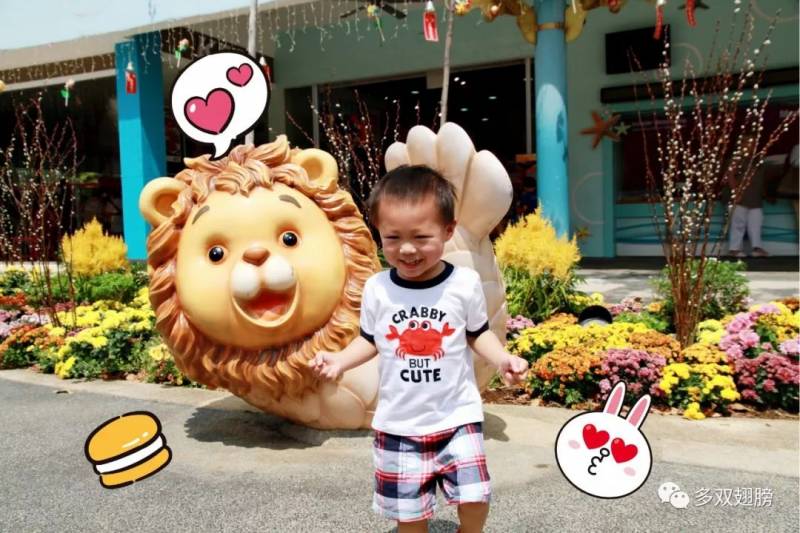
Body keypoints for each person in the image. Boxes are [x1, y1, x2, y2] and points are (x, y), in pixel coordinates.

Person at [309, 165, 529, 533]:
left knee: (475, 496)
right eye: (393, 237)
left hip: (457, 416)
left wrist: (503, 358)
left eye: (421, 237)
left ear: (448, 230)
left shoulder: (463, 283)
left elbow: (478, 334)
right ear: (378, 232)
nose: (407, 249)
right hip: (399, 424)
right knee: (409, 512)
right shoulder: (379, 288)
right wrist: (340, 360)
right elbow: (370, 340)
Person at [727, 134, 769, 258]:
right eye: (748, 143)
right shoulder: (737, 158)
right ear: (742, 144)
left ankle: (757, 248)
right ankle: (734, 249)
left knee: (756, 223)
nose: (751, 145)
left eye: (754, 143)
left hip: (755, 197)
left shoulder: (757, 159)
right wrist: (735, 192)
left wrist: (766, 193)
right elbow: (730, 175)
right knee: (738, 223)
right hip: (740, 197)